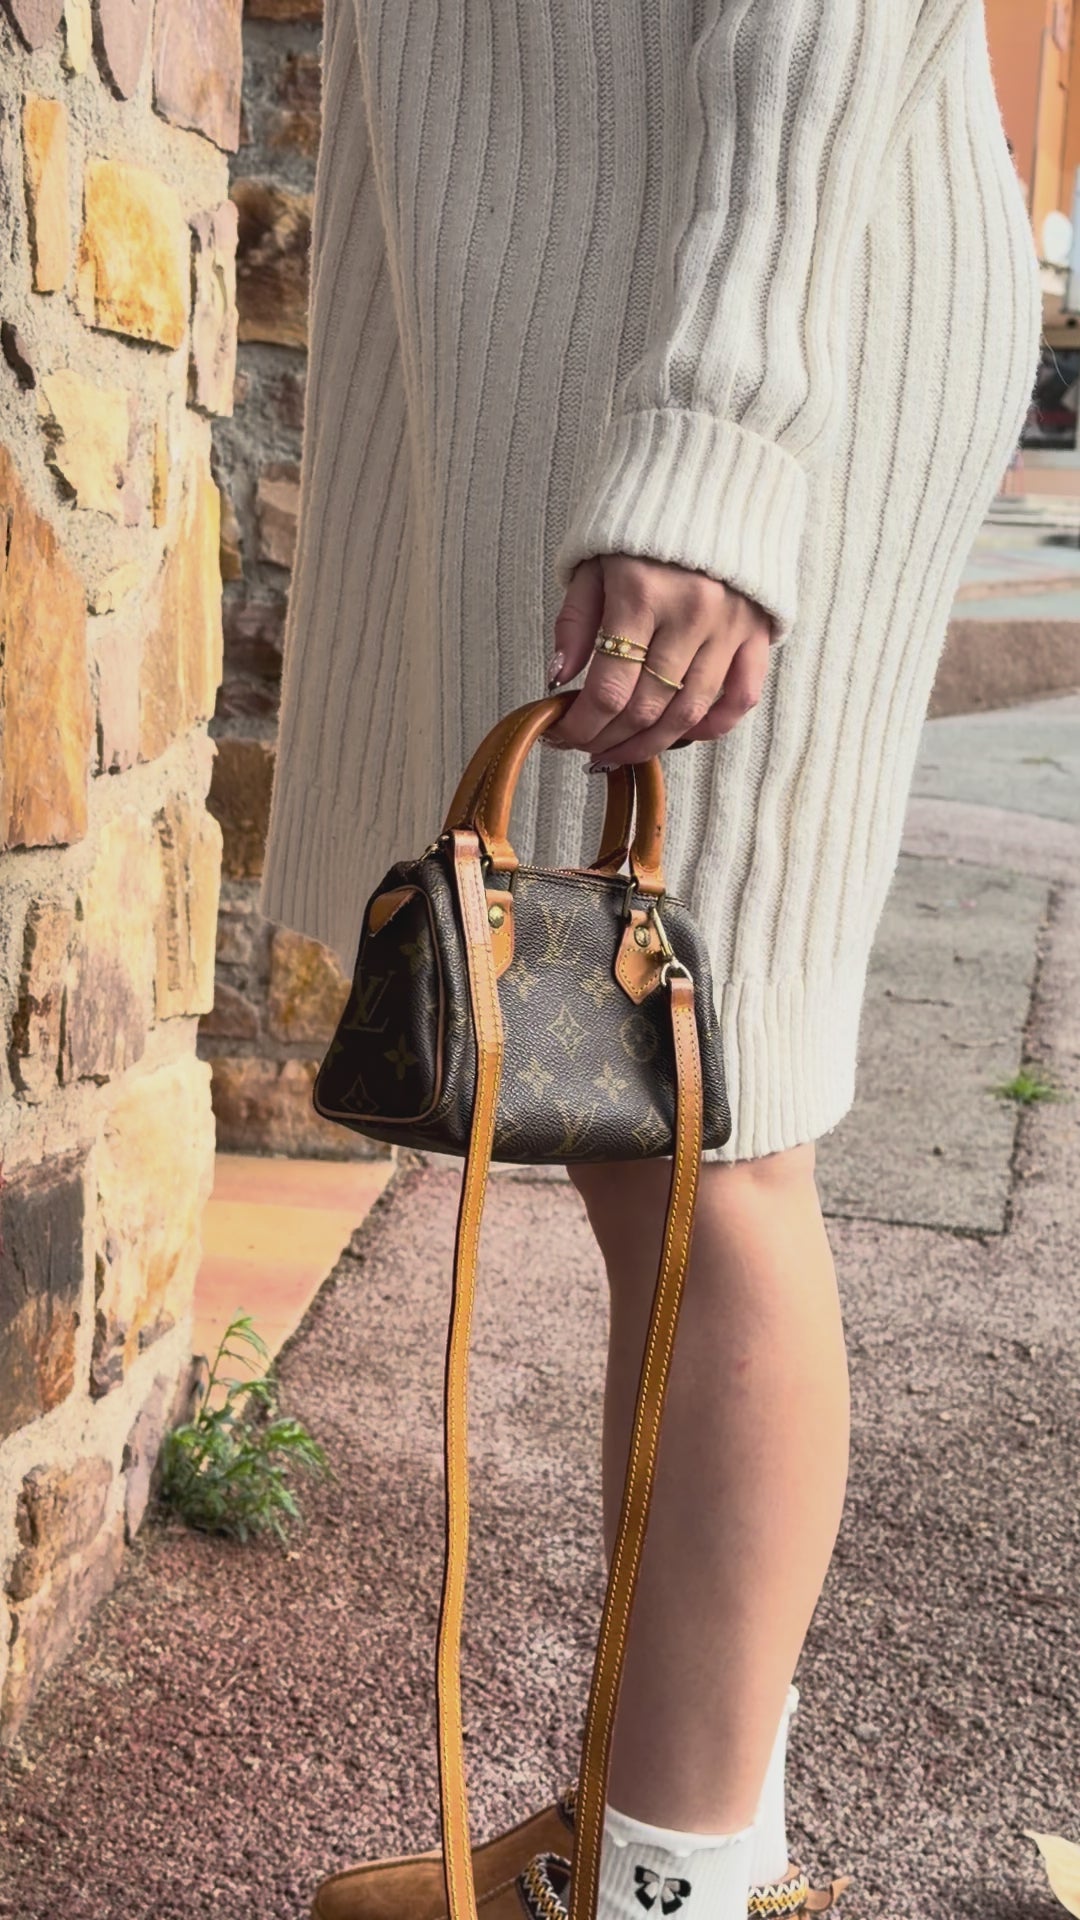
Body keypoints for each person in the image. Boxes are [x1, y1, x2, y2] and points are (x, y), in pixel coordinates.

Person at [259, 3, 1042, 1916]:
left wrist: (720, 429)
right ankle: (670, 1834)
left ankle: (665, 1889)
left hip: (707, 333)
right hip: (567, 309)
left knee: (711, 1143)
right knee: (664, 1160)